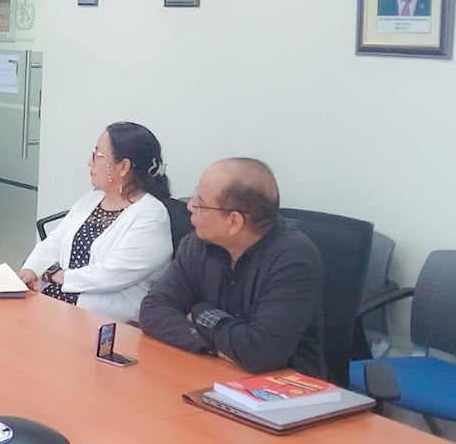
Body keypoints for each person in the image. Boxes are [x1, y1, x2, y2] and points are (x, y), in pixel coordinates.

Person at [138, 158, 324, 377]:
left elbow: (262, 353)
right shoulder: (197, 244)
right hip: (214, 371)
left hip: (286, 390)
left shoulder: (294, 259)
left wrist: (200, 313)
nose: (190, 207)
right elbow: (153, 310)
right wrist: (212, 347)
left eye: (200, 202)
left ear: (234, 221)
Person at [19, 122, 174, 323]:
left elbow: (110, 275)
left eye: (98, 156)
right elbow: (56, 240)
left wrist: (53, 275)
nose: (89, 163)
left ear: (123, 167)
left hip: (103, 322)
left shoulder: (151, 216)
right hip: (57, 305)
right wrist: (32, 270)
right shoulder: (93, 199)